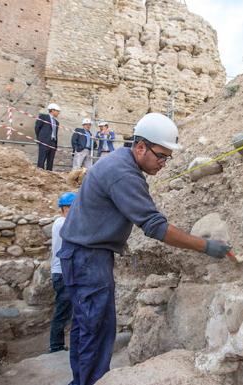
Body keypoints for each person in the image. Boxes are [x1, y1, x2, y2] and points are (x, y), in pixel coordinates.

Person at [58, 112, 232, 385]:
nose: (164, 163)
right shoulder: (123, 173)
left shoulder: (120, 164)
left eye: (168, 158)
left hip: (83, 253)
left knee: (86, 325)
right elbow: (154, 227)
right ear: (140, 147)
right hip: (88, 257)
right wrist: (206, 246)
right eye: (161, 155)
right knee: (96, 328)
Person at [49, 191, 77, 353]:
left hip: (65, 272)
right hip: (62, 273)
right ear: (63, 209)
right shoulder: (61, 223)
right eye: (69, 208)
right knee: (62, 311)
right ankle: (56, 346)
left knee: (67, 310)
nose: (73, 211)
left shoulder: (63, 222)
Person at [35, 103, 60, 170]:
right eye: (57, 111)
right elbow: (37, 128)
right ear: (52, 110)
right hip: (44, 141)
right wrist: (39, 138)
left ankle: (49, 174)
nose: (58, 113)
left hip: (53, 142)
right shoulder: (43, 117)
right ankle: (40, 173)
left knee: (50, 160)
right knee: (42, 158)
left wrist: (55, 144)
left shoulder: (56, 122)